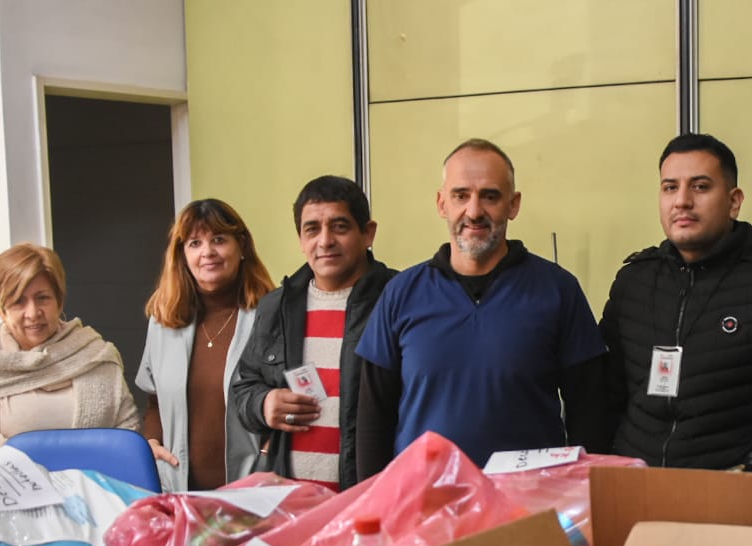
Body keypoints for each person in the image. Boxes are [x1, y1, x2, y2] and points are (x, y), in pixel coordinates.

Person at [354, 139, 607, 475]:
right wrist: (378, 510)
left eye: (490, 195)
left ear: (513, 205)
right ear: (441, 203)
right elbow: (373, 420)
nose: (474, 211)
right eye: (461, 195)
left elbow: (590, 414)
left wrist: (581, 501)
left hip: (528, 507)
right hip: (425, 507)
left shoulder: (558, 290)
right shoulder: (400, 294)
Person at [601, 134, 752, 470]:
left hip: (734, 495)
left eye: (700, 187)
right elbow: (605, 399)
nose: (682, 201)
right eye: (670, 187)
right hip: (636, 488)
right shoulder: (634, 281)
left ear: (734, 201)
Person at [231, 176, 396, 491]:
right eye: (312, 229)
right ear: (300, 238)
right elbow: (244, 387)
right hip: (291, 505)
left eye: (340, 227)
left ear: (368, 233)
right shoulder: (276, 306)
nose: (325, 241)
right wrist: (263, 404)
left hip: (371, 502)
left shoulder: (397, 299)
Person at [138, 199, 277, 491]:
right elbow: (154, 402)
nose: (207, 252)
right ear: (182, 255)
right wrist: (149, 443)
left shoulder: (273, 314)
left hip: (255, 490)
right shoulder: (163, 322)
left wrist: (267, 453)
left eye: (218, 240)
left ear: (241, 247)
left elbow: (291, 397)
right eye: (195, 243)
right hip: (179, 491)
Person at [0, 243, 139, 452]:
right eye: (18, 302)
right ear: (0, 309)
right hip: (11, 483)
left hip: (94, 482)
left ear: (59, 301)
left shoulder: (94, 353)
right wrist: (59, 464)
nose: (33, 313)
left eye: (42, 298)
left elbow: (127, 431)